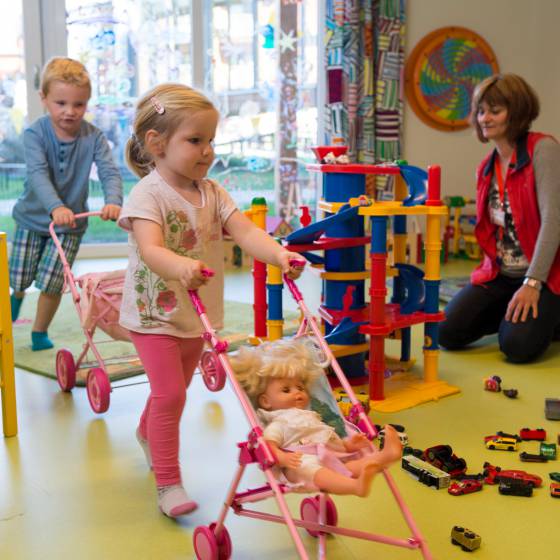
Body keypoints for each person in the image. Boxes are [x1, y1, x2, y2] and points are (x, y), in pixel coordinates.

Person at [118, 83, 305, 518]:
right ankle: (168, 484)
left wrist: (279, 254)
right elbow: (150, 248)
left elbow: (245, 232)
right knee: (171, 396)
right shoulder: (149, 193)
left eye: (211, 140)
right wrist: (179, 266)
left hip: (196, 315)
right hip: (153, 314)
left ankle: (147, 432)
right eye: (195, 140)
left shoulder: (213, 192)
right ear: (156, 143)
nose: (207, 151)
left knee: (175, 390)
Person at [439, 73, 560, 363]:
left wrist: (532, 284)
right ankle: (520, 315)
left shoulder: (543, 150)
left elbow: (553, 221)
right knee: (445, 333)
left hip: (545, 276)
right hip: (501, 274)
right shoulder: (486, 167)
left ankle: (547, 315)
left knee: (517, 347)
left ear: (516, 112)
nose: (485, 118)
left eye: (495, 111)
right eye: (481, 111)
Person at [9, 57, 122, 350]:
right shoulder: (35, 134)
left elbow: (109, 171)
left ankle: (38, 332)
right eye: (61, 103)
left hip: (70, 225)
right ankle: (10, 311)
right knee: (19, 279)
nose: (70, 112)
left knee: (53, 282)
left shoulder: (94, 137)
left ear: (87, 103)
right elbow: (37, 174)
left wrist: (113, 201)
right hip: (32, 219)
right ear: (44, 99)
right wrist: (55, 207)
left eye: (79, 105)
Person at [230, 338, 402, 497]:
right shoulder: (278, 423)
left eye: (300, 387)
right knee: (317, 471)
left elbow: (327, 439)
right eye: (286, 390)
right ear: (266, 401)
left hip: (329, 455)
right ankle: (355, 487)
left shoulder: (313, 417)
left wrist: (349, 445)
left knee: (352, 464)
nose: (297, 392)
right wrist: (281, 458)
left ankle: (385, 456)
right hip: (299, 462)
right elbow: (268, 445)